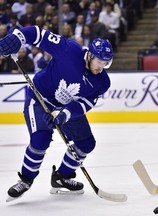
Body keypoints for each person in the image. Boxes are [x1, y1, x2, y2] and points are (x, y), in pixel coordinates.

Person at [0, 25, 113, 201]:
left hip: (65, 107)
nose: (101, 67)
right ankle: (26, 179)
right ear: (90, 54)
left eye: (106, 63)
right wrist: (18, 37)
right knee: (40, 139)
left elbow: (87, 102)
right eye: (99, 61)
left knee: (86, 143)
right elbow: (38, 34)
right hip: (40, 99)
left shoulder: (102, 82)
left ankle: (62, 177)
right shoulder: (69, 50)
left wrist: (65, 114)